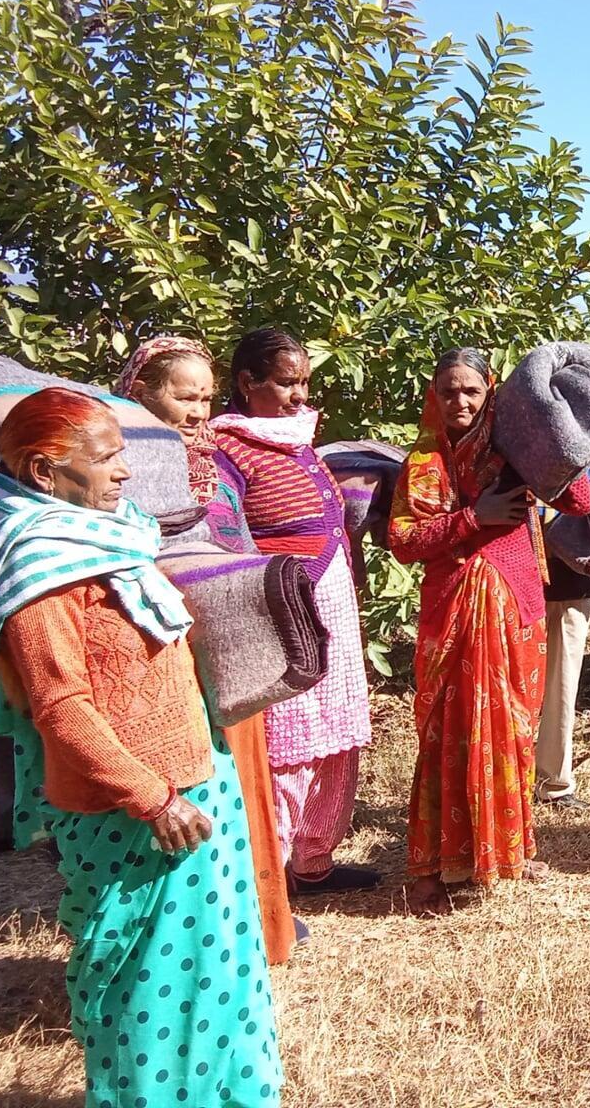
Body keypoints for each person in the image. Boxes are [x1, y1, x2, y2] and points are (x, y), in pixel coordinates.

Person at [0, 387, 282, 1107]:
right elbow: (60, 707)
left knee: (218, 970)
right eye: (106, 458)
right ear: (44, 471)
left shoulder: (112, 534)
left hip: (198, 776)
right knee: (146, 992)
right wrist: (151, 798)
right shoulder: (38, 566)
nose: (124, 472)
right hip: (133, 812)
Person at [116, 336, 299, 962]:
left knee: (240, 780)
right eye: (181, 396)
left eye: (203, 397)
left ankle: (257, 921)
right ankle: (191, 936)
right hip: (159, 656)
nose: (196, 411)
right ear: (140, 393)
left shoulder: (213, 461)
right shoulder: (117, 467)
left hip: (226, 644)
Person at [389, 348, 590, 913]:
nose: (460, 402)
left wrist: (554, 426)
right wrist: (474, 519)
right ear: (434, 395)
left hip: (515, 602)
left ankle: (510, 849)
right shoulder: (423, 462)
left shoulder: (515, 450)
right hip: (452, 611)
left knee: (513, 729)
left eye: (471, 391)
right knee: (446, 733)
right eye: (449, 391)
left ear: (491, 392)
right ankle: (431, 870)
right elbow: (403, 540)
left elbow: (578, 500)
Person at [213, 327, 377, 895]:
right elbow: (227, 538)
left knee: (336, 734)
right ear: (246, 382)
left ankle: (312, 860)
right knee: (289, 743)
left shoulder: (295, 439)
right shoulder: (226, 449)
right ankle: (270, 880)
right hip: (283, 614)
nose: (299, 395)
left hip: (329, 604)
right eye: (286, 383)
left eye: (304, 381)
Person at [538, 520, 590, 812]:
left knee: (561, 685)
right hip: (507, 579)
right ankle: (507, 780)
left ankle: (553, 783)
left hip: (567, 584)